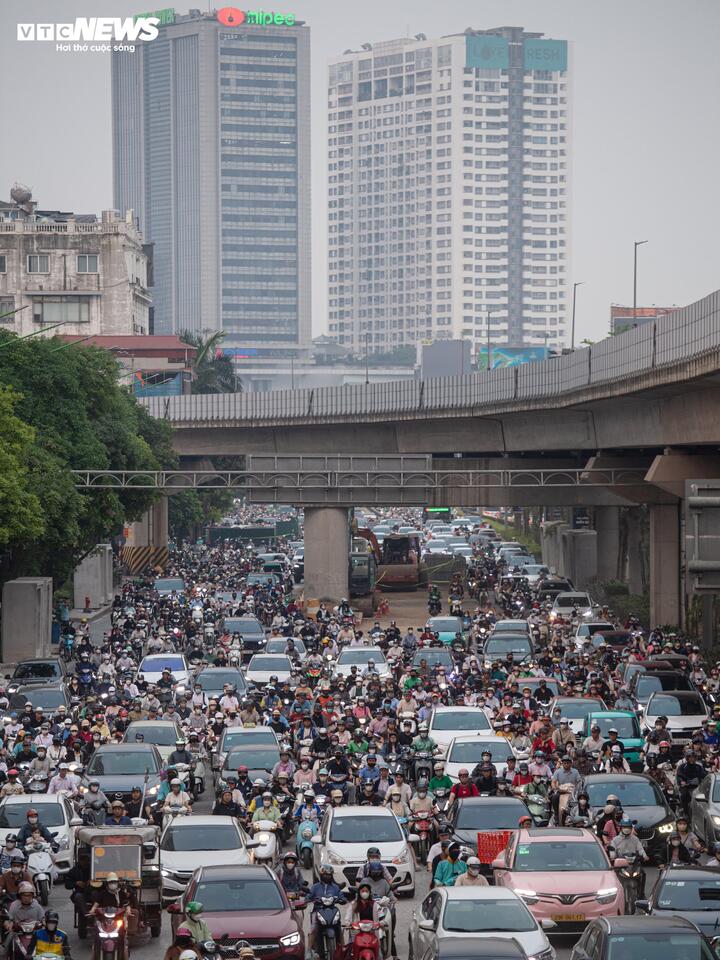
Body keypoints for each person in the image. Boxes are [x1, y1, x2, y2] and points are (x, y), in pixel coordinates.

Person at [307, 865, 344, 957]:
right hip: (318, 910)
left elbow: (342, 896)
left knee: (339, 928)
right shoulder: (315, 887)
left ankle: (343, 948)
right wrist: (309, 899)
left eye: (329, 874)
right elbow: (308, 897)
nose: (327, 876)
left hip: (332, 910)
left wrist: (342, 899)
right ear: (321, 875)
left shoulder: (335, 887)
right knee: (313, 929)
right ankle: (308, 950)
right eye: (325, 874)